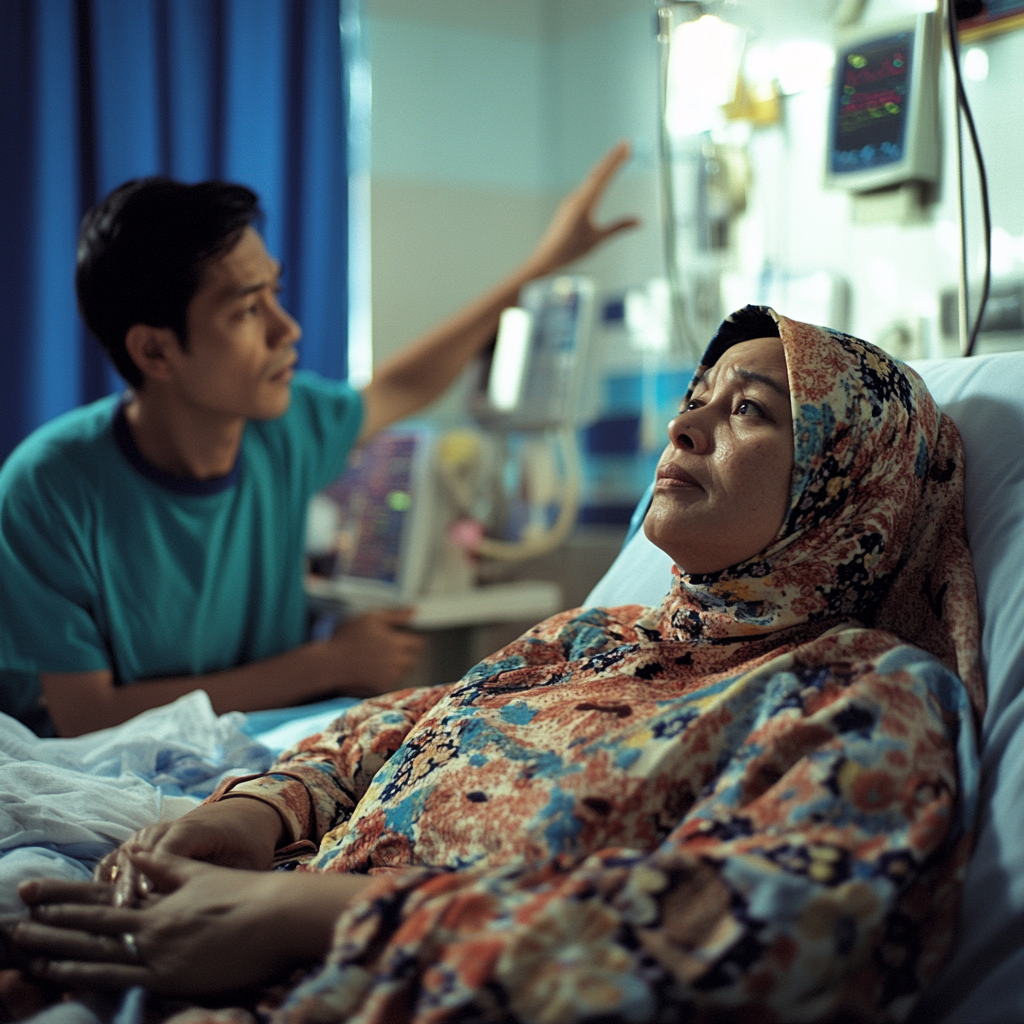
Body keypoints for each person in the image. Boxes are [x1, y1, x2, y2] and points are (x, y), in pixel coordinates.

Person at [9, 307, 983, 1023]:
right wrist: (248, 815)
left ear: (850, 480)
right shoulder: (588, 638)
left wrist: (296, 913)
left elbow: (748, 933)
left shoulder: (863, 698)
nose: (684, 427)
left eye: (751, 413)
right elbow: (378, 730)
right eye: (693, 401)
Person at [0, 143, 639, 738]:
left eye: (273, 294)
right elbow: (87, 717)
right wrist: (323, 664)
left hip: (250, 748)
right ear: (155, 349)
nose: (288, 329)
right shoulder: (49, 487)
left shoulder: (286, 426)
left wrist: (543, 263)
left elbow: (405, 383)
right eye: (248, 310)